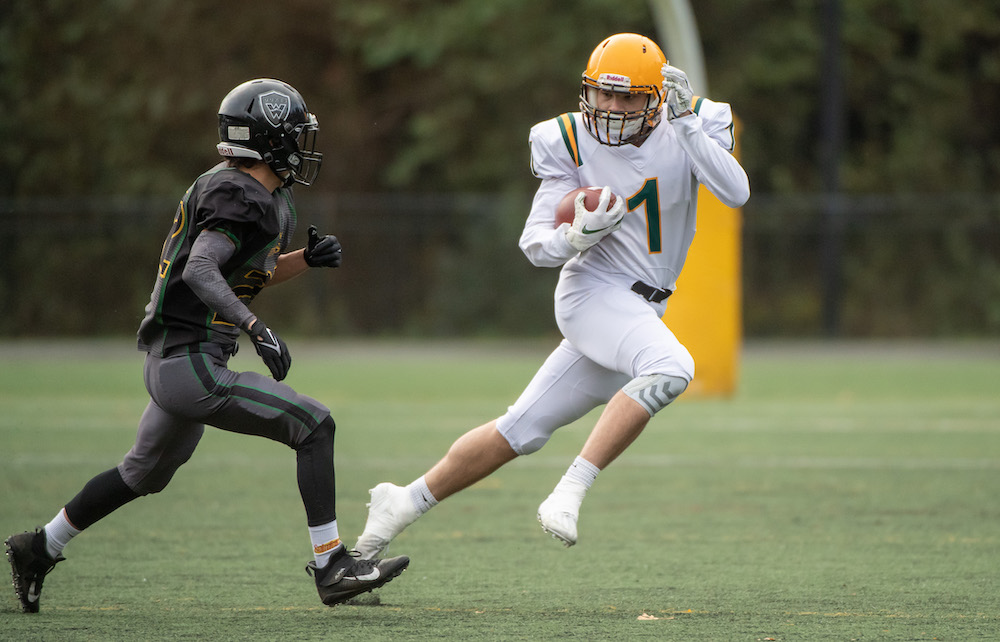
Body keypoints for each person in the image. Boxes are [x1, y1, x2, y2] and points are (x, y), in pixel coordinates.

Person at [4, 78, 409, 613]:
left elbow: (237, 275)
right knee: (313, 425)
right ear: (268, 140)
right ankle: (333, 566)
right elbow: (200, 268)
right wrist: (255, 327)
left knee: (143, 473)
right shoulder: (238, 193)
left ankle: (39, 546)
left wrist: (302, 262)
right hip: (189, 361)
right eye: (295, 134)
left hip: (182, 361)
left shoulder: (260, 194)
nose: (304, 146)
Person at [352, 33, 750, 558]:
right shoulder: (565, 137)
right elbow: (535, 243)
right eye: (601, 94)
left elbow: (735, 191)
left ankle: (399, 506)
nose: (609, 107)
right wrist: (577, 236)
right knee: (672, 366)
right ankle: (570, 490)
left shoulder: (691, 121)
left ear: (655, 98)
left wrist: (687, 127)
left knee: (520, 429)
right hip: (593, 291)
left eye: (626, 97)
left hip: (643, 305)